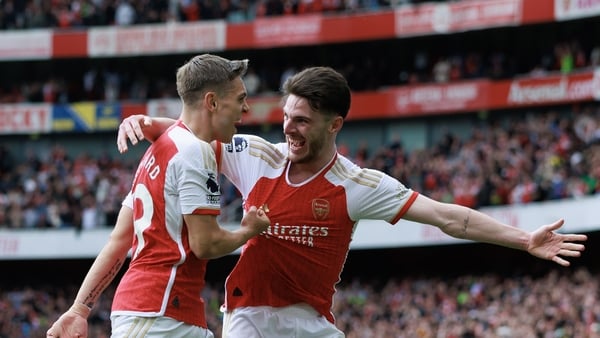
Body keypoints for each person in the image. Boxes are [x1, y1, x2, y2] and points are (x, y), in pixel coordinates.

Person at [116, 66, 588, 337]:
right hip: (247, 316)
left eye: (302, 121)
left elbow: (450, 218)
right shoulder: (254, 156)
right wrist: (148, 121)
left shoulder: (357, 184)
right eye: (286, 117)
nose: (288, 129)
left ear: (334, 124)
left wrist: (524, 239)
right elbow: (195, 131)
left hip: (311, 321)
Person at [46, 54, 271, 338]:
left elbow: (119, 240)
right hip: (160, 315)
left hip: (156, 312)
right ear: (212, 102)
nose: (246, 108)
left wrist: (80, 308)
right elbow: (206, 243)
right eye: (240, 99)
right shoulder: (194, 151)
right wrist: (249, 230)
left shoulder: (162, 147)